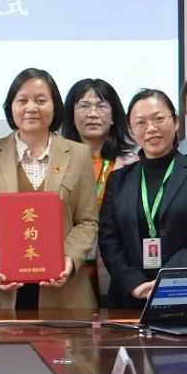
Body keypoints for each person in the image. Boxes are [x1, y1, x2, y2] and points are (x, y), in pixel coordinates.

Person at [0, 68, 99, 311]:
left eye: (41, 100)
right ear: (11, 107)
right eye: (22, 100)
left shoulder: (78, 154)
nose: (31, 108)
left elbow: (87, 220)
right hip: (2, 289)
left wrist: (68, 259)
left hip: (63, 292)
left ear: (55, 106)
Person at [98, 89, 187, 309]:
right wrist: (133, 282)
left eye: (159, 119)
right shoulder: (118, 180)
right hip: (132, 295)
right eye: (141, 123)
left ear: (175, 122)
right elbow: (108, 238)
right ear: (131, 130)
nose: (151, 128)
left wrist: (169, 280)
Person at [61, 78, 136, 300]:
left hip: (117, 268)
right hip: (68, 267)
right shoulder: (57, 163)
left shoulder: (132, 164)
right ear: (71, 116)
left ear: (113, 116)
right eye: (84, 106)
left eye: (101, 106)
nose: (93, 114)